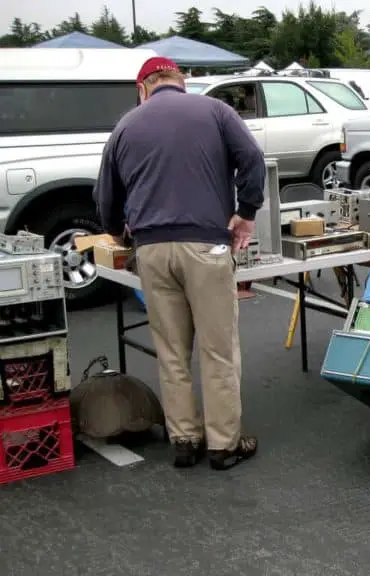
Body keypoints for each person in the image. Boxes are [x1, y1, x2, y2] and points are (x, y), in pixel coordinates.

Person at [93, 57, 265, 471]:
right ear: (180, 82)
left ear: (143, 87)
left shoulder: (125, 127)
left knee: (171, 351)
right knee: (217, 349)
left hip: (152, 250)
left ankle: (184, 439)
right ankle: (223, 445)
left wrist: (118, 232)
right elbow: (253, 160)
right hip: (206, 247)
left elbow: (105, 199)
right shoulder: (216, 111)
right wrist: (247, 211)